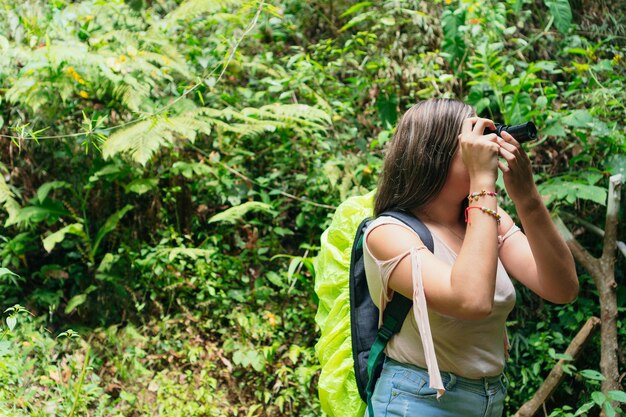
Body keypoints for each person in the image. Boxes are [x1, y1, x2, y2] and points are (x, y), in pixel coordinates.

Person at [363, 99, 578, 417]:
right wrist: (483, 183)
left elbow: (562, 288)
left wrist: (527, 197)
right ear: (434, 154)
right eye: (473, 140)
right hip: (416, 402)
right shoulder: (387, 233)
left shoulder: (484, 219)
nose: (487, 147)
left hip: (489, 401)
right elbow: (471, 301)